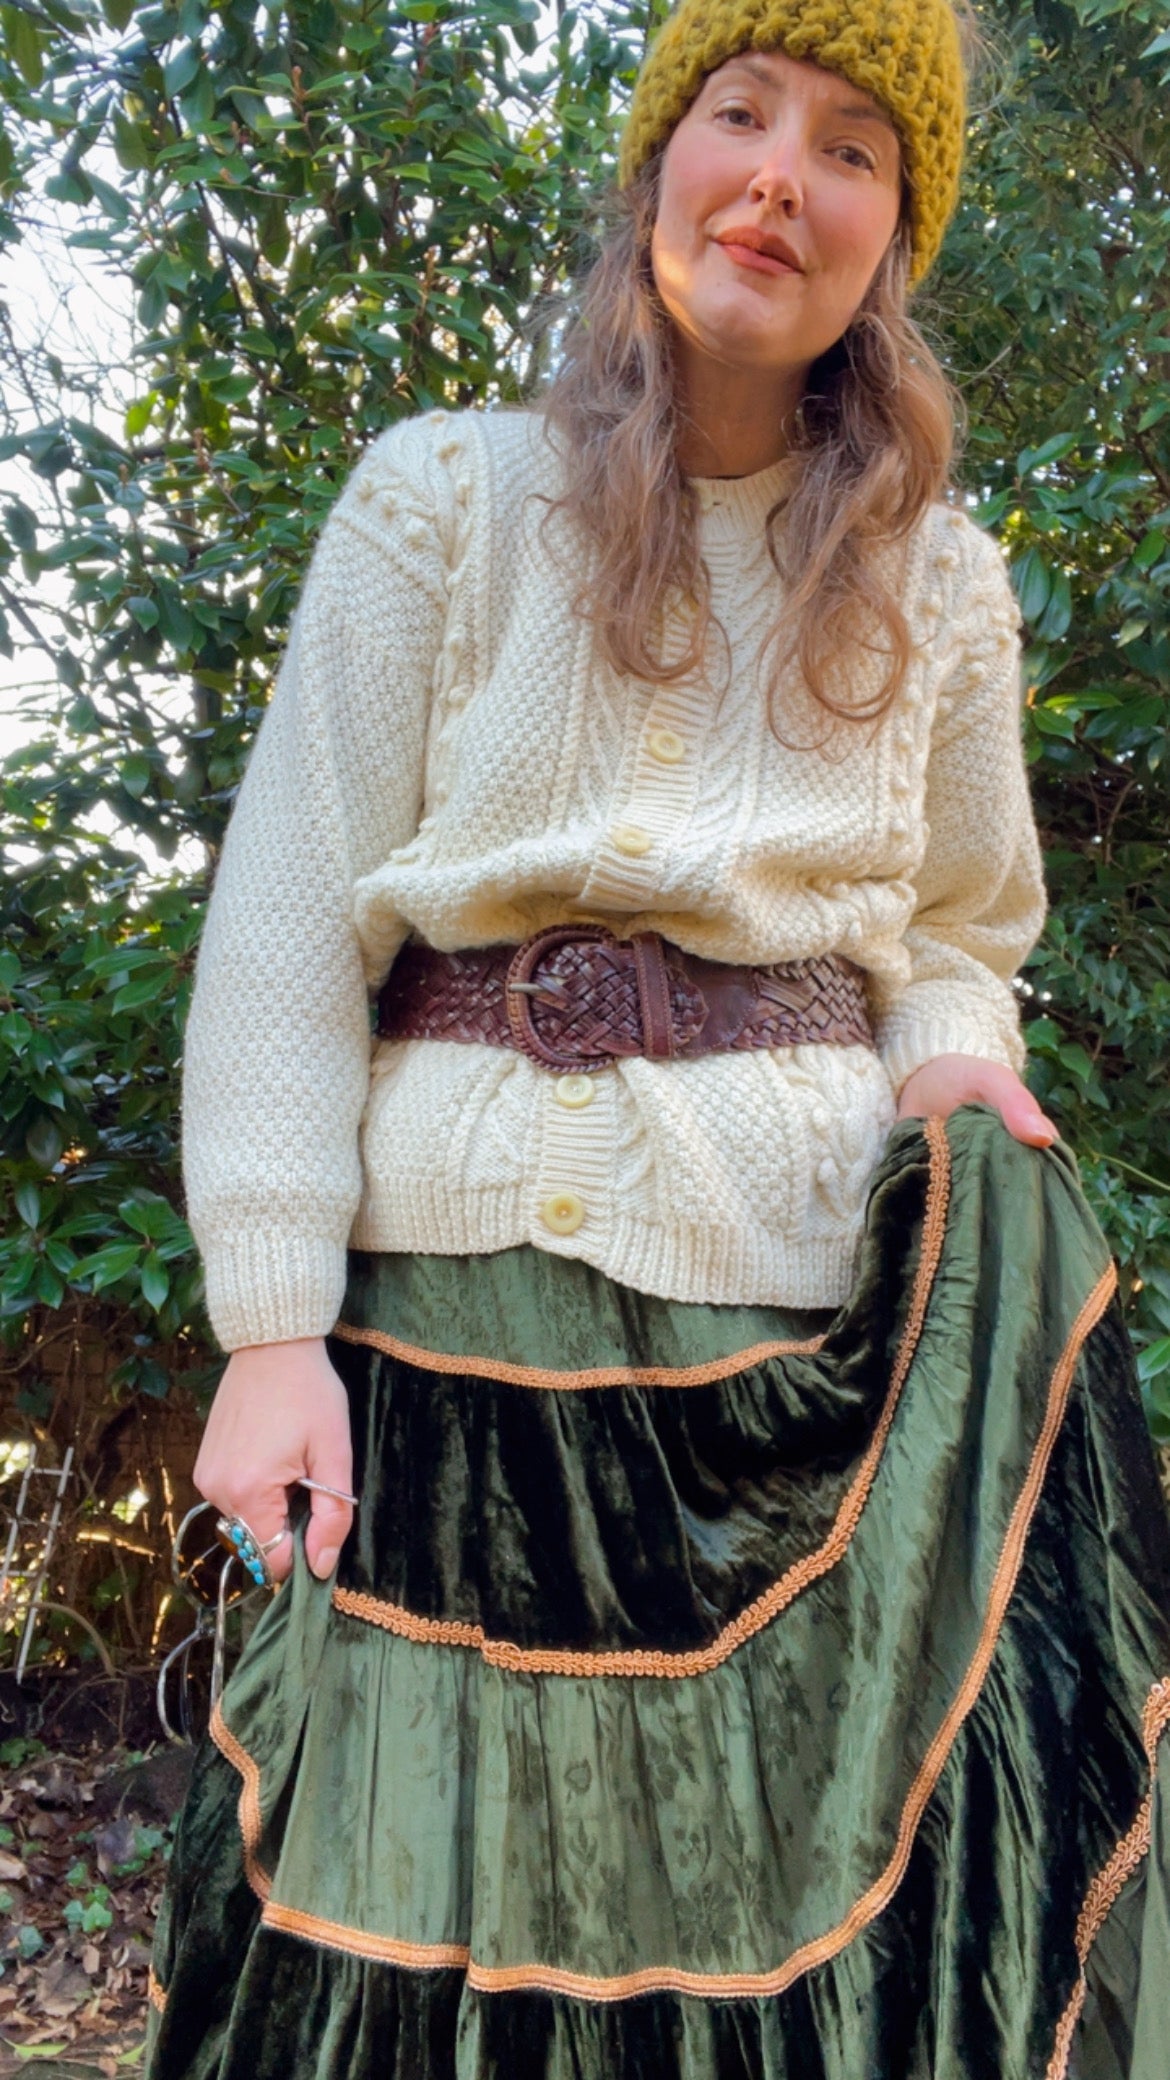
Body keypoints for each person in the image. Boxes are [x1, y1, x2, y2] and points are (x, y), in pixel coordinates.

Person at [144, 1, 1170, 2075]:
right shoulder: (440, 500)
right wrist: (267, 1325)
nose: (783, 176)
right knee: (396, 1924)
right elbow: (288, 918)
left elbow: (956, 935)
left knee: (748, 1945)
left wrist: (956, 1058)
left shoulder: (944, 586)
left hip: (784, 1368)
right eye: (741, 112)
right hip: (429, 1346)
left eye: (854, 149)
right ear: (660, 162)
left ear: (894, 239)